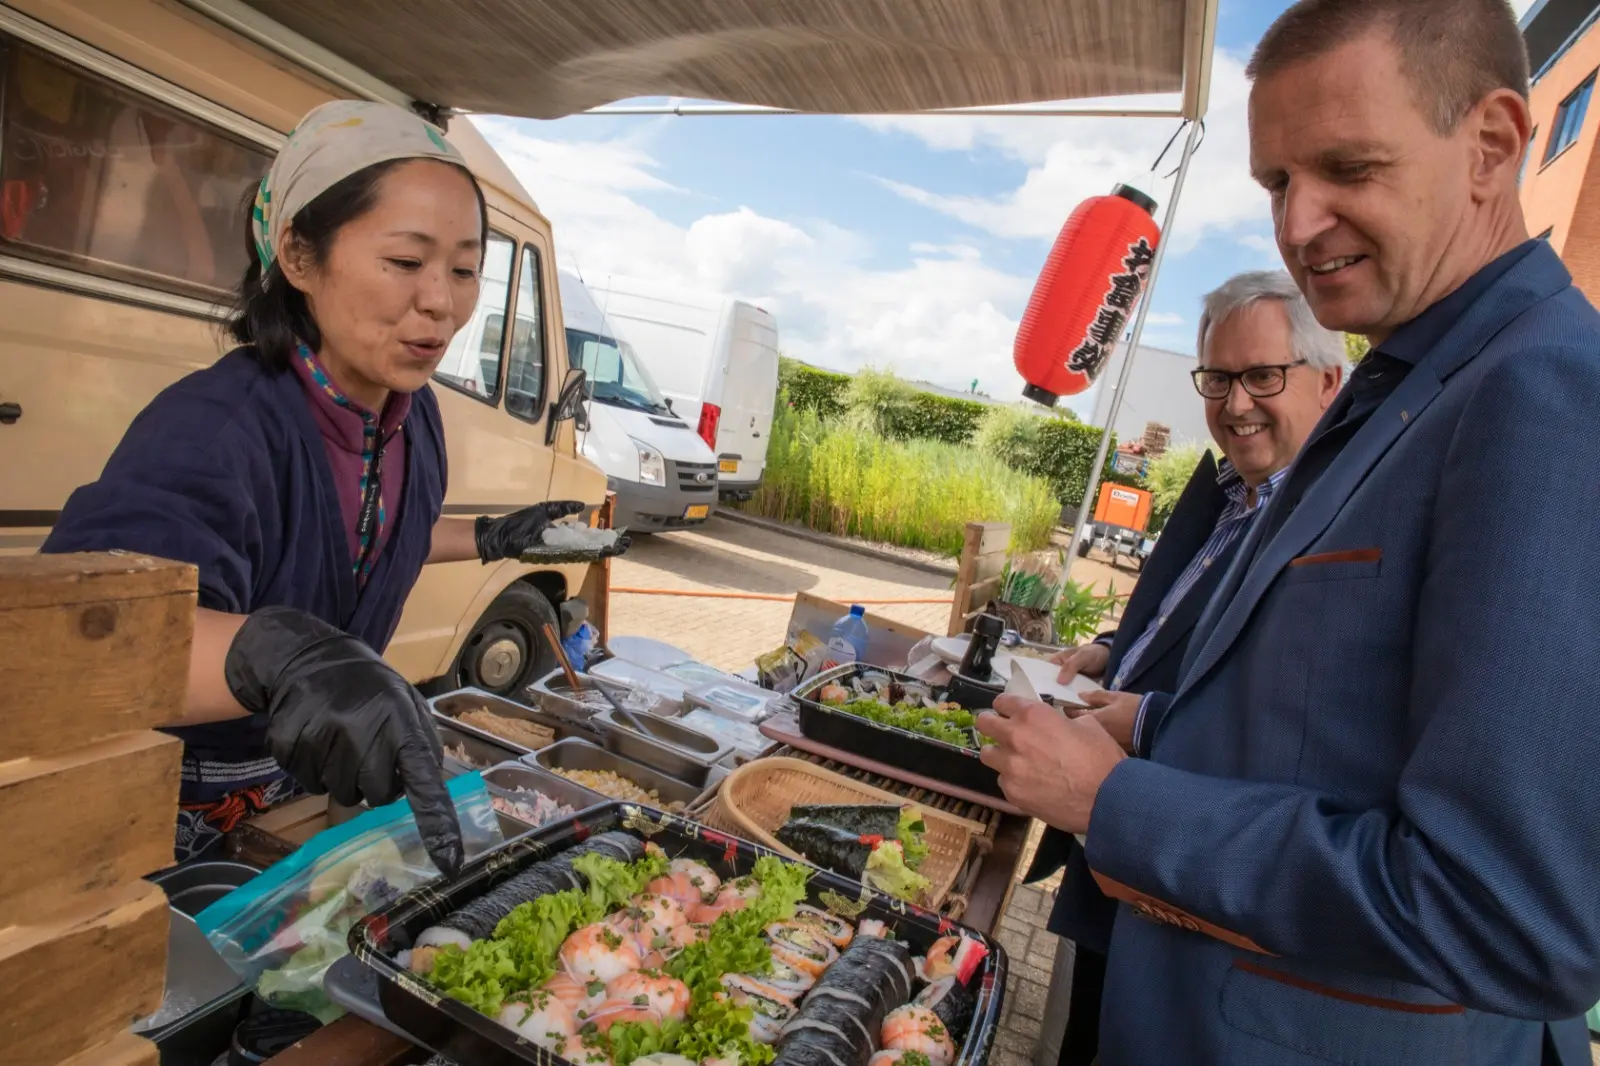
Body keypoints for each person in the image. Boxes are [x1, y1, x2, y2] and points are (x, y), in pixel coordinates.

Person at [978, 0, 1600, 1062]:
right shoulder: (1406, 385)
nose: (1298, 224)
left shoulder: (1543, 394)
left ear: (1493, 147)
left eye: (1347, 169)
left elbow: (1506, 913)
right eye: (1275, 182)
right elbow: (1330, 731)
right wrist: (1149, 721)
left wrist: (1115, 798)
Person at [41, 100, 587, 873]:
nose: (442, 301)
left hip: (286, 793)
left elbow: (364, 539)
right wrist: (282, 654)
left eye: (465, 270)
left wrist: (494, 537)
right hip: (158, 802)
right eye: (406, 262)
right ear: (299, 257)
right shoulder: (215, 429)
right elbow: (87, 640)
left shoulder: (413, 417)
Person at [1027, 271, 1343, 1066]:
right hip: (1117, 839)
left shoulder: (1326, 525)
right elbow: (1175, 614)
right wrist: (1114, 647)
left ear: (1330, 381)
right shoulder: (1229, 490)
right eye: (1219, 378)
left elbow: (1277, 711)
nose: (1236, 403)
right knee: (1084, 1029)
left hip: (1182, 862)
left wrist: (1143, 716)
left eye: (1264, 375)